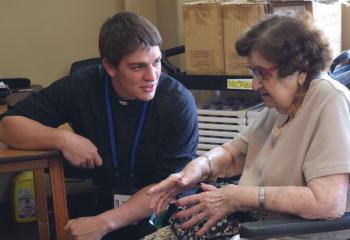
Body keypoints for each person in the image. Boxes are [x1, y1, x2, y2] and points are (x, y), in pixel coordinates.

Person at [147, 13, 350, 240]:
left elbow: (327, 202)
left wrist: (236, 197)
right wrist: (197, 168)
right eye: (253, 72)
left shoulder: (330, 99)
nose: (255, 85)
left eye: (262, 73)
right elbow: (233, 154)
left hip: (289, 233)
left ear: (298, 67)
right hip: (255, 224)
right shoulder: (282, 105)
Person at [0, 11, 198, 239]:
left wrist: (104, 223)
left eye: (156, 62)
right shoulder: (82, 85)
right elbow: (7, 126)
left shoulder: (177, 102)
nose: (152, 76)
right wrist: (63, 139)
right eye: (137, 67)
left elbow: (168, 189)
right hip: (107, 201)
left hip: (163, 208)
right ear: (110, 67)